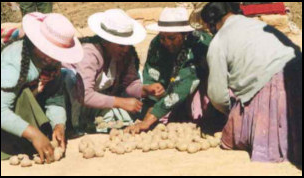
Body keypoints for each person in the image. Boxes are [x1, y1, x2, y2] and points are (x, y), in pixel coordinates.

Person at [200, 2, 302, 165]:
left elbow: (217, 95)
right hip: (298, 74)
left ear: (212, 24)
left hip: (273, 85)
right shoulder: (256, 24)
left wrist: (230, 112)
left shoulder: (218, 41)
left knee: (235, 131)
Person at [63, 9, 162, 134]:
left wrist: (145, 89)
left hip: (96, 100)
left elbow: (130, 83)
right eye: (121, 45)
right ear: (106, 42)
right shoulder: (89, 54)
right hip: (72, 100)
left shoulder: (125, 54)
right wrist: (120, 102)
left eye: (128, 45)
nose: (126, 49)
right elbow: (84, 95)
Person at [1, 12, 83, 163]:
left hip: (21, 115)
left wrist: (59, 125)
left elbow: (55, 98)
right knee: (25, 94)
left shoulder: (51, 63)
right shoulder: (13, 62)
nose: (54, 58)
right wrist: (33, 134)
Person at [125, 8, 223, 134]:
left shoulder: (199, 45)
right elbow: (151, 75)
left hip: (204, 87)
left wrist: (148, 121)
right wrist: (151, 91)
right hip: (173, 89)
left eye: (171, 38)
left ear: (184, 35)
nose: (166, 42)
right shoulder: (157, 44)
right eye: (163, 37)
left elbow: (184, 86)